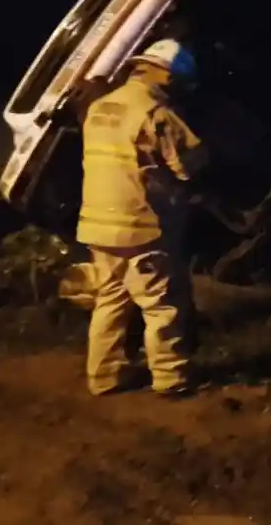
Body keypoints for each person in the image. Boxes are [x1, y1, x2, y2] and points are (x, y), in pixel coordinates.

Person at [76, 37, 209, 398]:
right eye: (180, 83)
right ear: (166, 76)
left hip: (96, 224)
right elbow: (188, 167)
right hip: (139, 228)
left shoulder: (101, 107)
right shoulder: (155, 114)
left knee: (111, 299)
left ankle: (104, 377)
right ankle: (171, 379)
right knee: (163, 304)